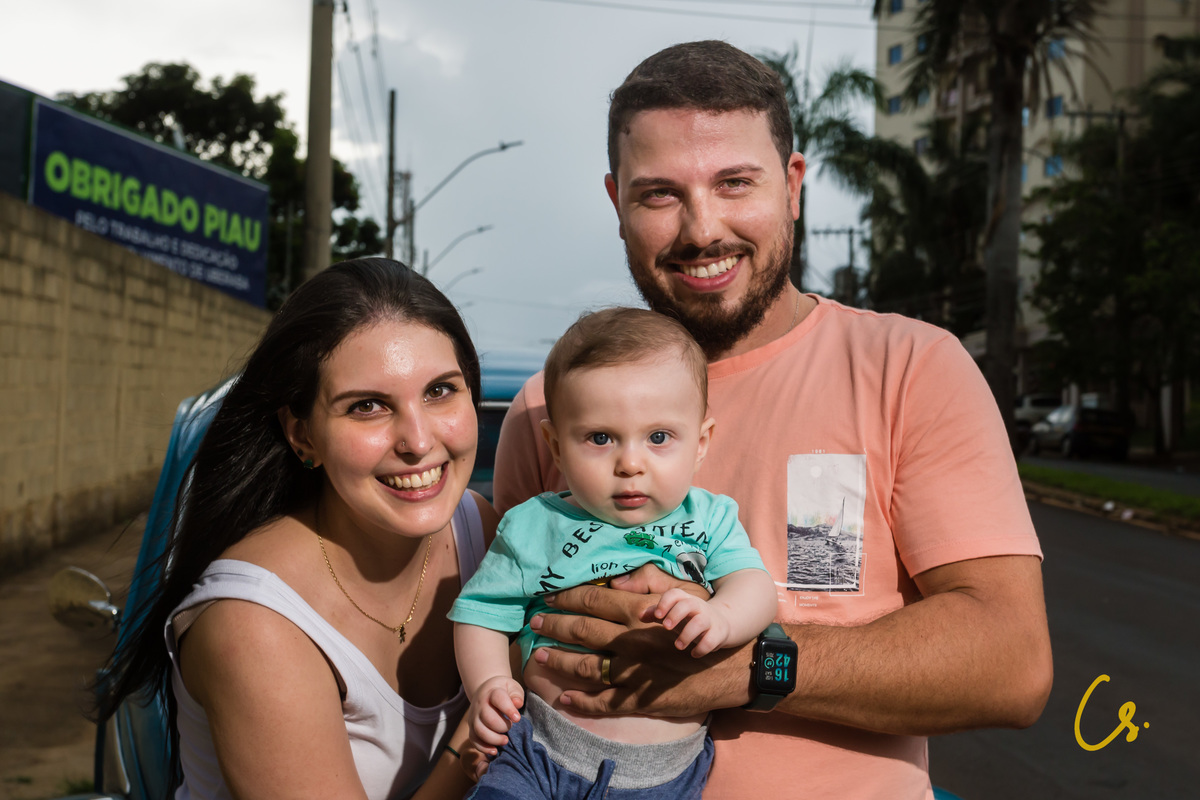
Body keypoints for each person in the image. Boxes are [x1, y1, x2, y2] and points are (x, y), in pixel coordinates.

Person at [492, 41, 1054, 799]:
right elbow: (500, 640)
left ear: (792, 185)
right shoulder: (545, 410)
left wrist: (752, 667)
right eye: (659, 193)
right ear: (615, 200)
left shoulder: (907, 367)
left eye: (734, 183)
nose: (702, 228)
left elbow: (1011, 663)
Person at [99, 258, 494, 799]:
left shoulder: (484, 532)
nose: (418, 441)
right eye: (368, 406)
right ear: (302, 434)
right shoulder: (253, 627)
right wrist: (475, 740)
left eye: (439, 391)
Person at [450, 308, 777, 799]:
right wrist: (489, 685)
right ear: (556, 448)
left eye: (659, 438)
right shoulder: (533, 524)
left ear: (701, 442)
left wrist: (721, 618)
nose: (630, 463)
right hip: (537, 750)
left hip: (662, 774)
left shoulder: (709, 518)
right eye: (600, 438)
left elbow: (754, 584)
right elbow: (480, 614)